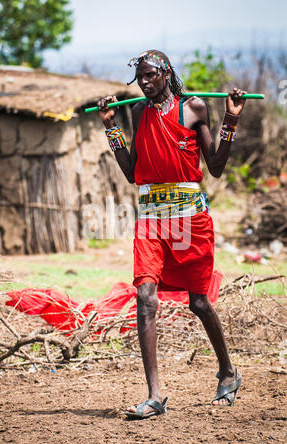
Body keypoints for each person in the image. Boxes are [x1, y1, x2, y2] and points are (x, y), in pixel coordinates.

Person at [97, 50, 245, 419]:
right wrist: (110, 127)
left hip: (189, 220)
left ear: (165, 74)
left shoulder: (193, 108)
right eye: (139, 78)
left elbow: (215, 166)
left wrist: (230, 119)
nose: (144, 83)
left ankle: (228, 371)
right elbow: (132, 173)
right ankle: (155, 396)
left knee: (198, 302)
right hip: (150, 218)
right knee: (145, 295)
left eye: (150, 76)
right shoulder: (137, 113)